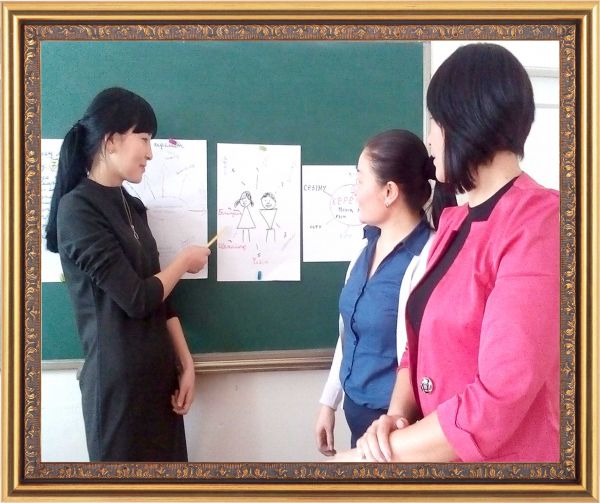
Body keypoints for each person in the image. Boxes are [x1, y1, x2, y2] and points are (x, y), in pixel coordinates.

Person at [333, 43, 559, 463]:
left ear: (467, 119)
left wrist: (368, 458)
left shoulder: (541, 221)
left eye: (435, 122)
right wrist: (395, 417)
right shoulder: (452, 223)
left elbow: (498, 399)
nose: (430, 139)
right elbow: (415, 345)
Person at [45, 87, 211, 462]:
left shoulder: (133, 207)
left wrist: (186, 364)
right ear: (111, 140)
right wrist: (183, 261)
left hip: (160, 381)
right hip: (118, 389)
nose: (150, 153)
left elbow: (161, 298)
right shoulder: (78, 209)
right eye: (145, 139)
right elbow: (137, 298)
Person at [315, 129, 455, 455]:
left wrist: (393, 419)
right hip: (356, 416)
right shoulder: (363, 252)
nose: (354, 191)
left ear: (389, 191)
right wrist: (328, 402)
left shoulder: (428, 259)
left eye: (359, 180)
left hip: (395, 428)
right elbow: (348, 335)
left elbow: (418, 354)